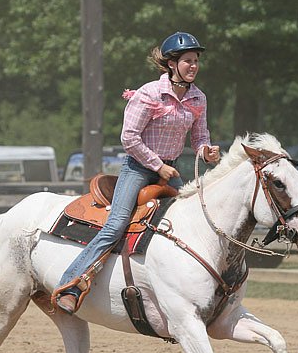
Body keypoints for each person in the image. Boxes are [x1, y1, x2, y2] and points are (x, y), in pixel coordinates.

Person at [55, 31, 221, 314]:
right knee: (116, 224)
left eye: (196, 61)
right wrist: (158, 166)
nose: (193, 66)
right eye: (187, 61)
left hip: (170, 169)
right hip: (139, 168)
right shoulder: (149, 93)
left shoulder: (198, 98)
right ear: (171, 64)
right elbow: (129, 138)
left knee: (193, 220)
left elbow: (200, 136)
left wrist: (206, 151)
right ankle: (70, 284)